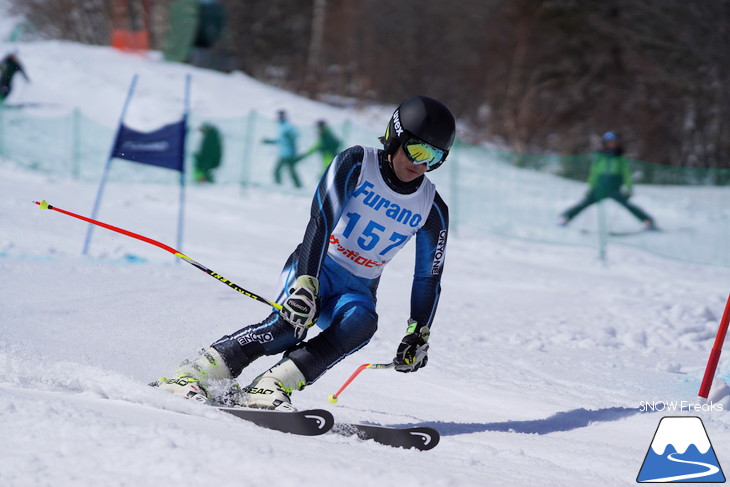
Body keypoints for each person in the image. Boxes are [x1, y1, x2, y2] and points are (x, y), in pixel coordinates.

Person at [156, 96, 455, 411]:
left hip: (356, 289)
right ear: (397, 136)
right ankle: (194, 372)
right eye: (417, 151)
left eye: (435, 158)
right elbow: (321, 221)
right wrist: (306, 281)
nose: (421, 164)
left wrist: (418, 332)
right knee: (289, 326)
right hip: (316, 265)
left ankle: (270, 385)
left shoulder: (432, 208)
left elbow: (428, 275)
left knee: (362, 324)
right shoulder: (357, 163)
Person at [559, 132, 657, 229]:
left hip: (614, 188)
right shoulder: (600, 157)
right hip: (600, 187)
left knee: (628, 205)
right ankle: (566, 218)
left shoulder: (620, 159)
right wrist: (591, 186)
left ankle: (647, 221)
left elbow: (626, 174)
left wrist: (629, 187)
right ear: (605, 143)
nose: (611, 144)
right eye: (609, 142)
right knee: (585, 203)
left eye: (614, 142)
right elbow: (594, 173)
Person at [264, 110, 301, 188]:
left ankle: (294, 186)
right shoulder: (281, 126)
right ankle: (295, 185)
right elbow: (280, 139)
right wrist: (270, 141)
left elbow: (295, 134)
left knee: (280, 170)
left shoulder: (288, 126)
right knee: (286, 171)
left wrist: (290, 136)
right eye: (279, 116)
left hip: (289, 153)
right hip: (283, 153)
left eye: (281, 116)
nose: (279, 117)